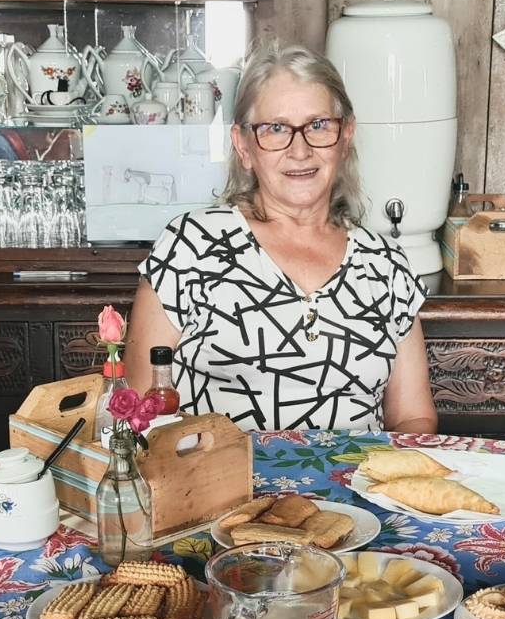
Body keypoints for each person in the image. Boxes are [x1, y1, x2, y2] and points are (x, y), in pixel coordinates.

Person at [126, 45, 437, 434]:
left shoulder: (386, 263)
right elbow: (139, 410)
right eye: (275, 129)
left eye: (319, 125)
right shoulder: (191, 247)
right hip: (221, 491)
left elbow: (413, 417)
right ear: (243, 146)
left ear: (347, 136)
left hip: (352, 491)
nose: (300, 150)